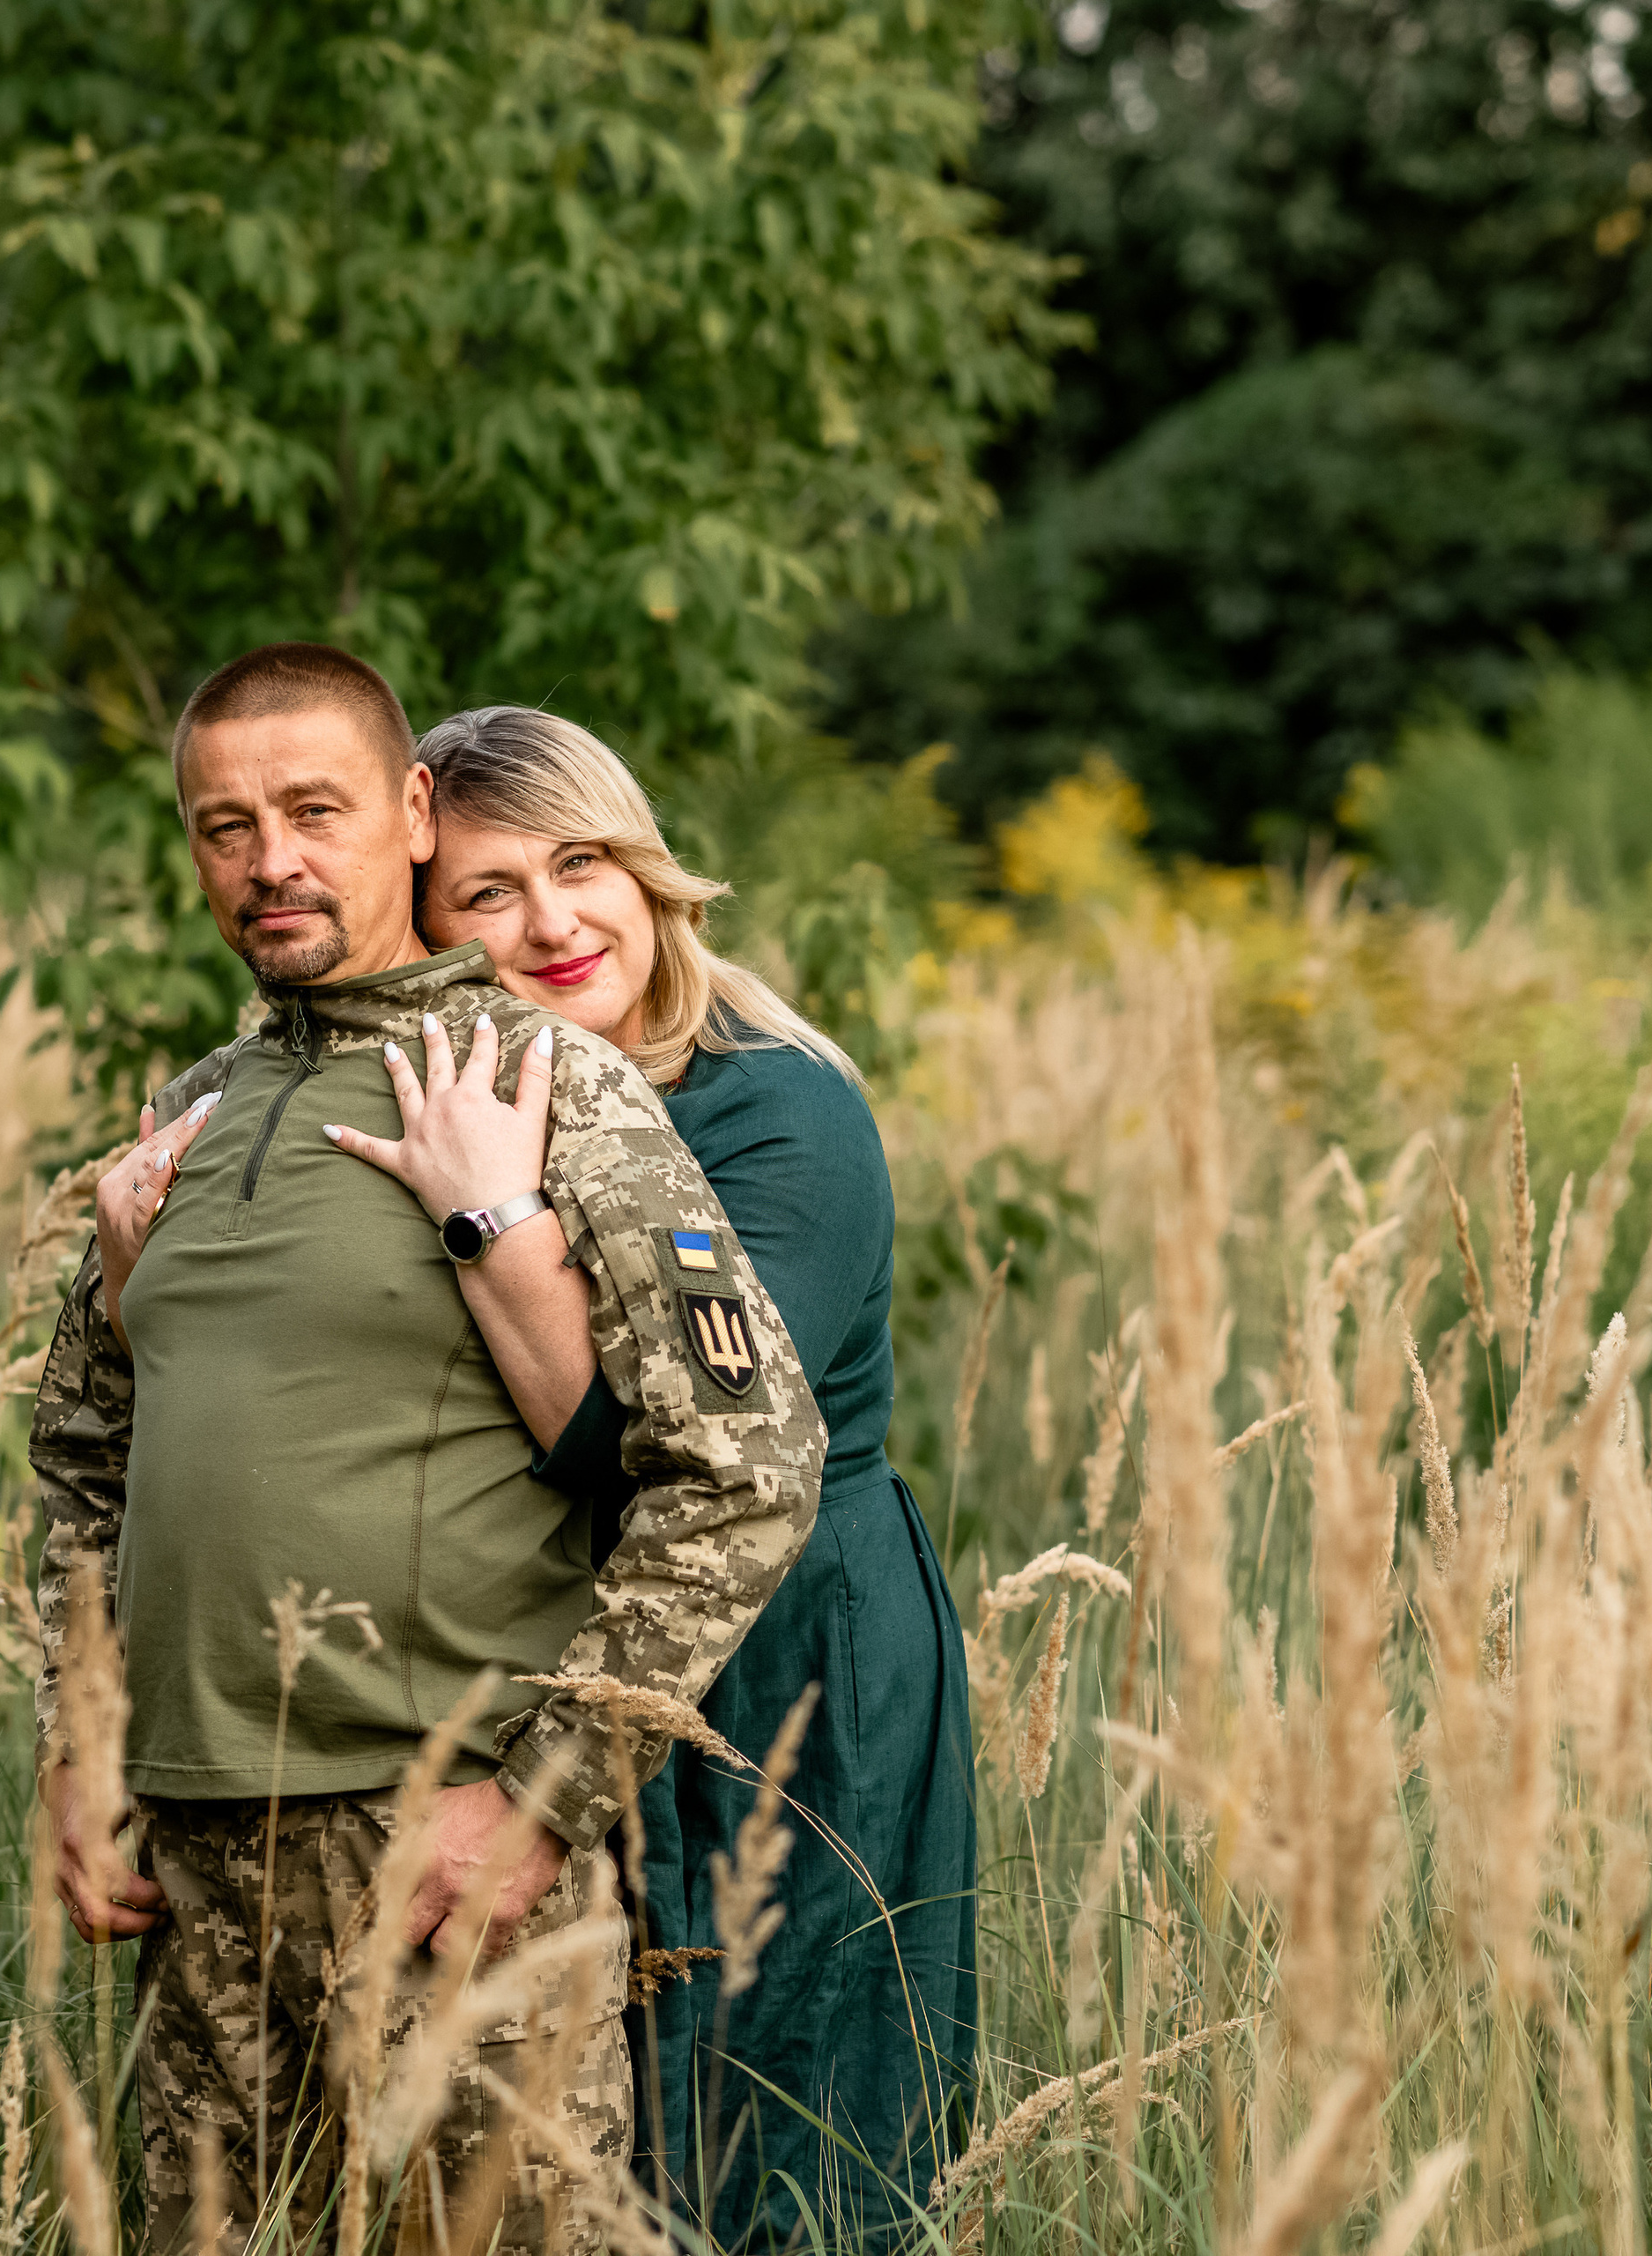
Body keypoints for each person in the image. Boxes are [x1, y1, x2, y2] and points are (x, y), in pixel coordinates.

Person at [25, 643, 828, 2256]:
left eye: (315, 811)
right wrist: (80, 1738)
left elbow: (748, 1463)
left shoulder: (548, 1082)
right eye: (224, 825)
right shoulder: (188, 1112)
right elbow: (85, 1460)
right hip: (197, 1870)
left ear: (407, 815)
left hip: (438, 1848)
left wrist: (545, 1799)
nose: (272, 862)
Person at [326, 705, 976, 2238]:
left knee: (785, 2118)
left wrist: (491, 1224)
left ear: (649, 872)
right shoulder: (466, 1096)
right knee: (602, 2138)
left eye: (582, 865)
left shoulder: (773, 1108)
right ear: (426, 926)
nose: (551, 923)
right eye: (487, 893)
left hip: (792, 1648)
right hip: (582, 1652)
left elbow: (645, 1448)